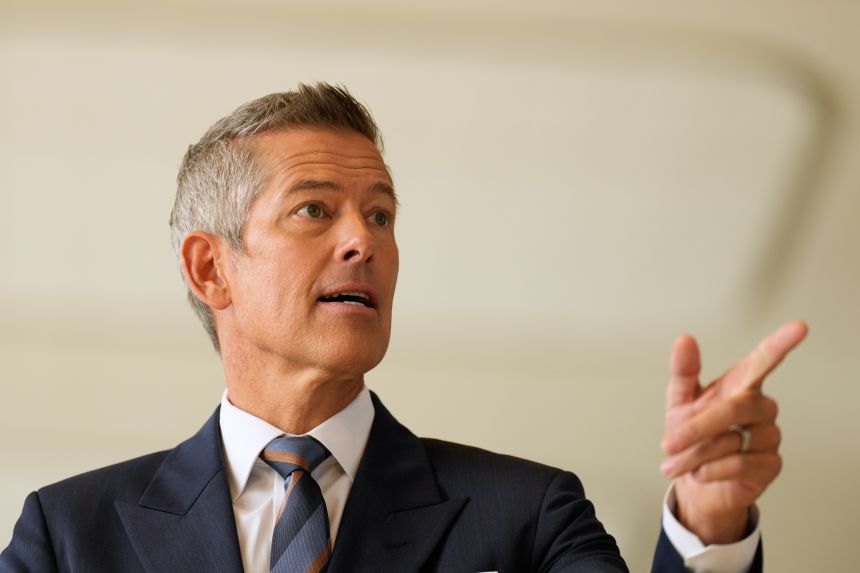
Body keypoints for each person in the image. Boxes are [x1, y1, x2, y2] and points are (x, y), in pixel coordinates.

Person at [1, 83, 806, 572]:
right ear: (212, 269)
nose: (365, 240)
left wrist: (708, 522)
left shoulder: (528, 514)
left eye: (381, 213)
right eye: (315, 208)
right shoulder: (70, 534)